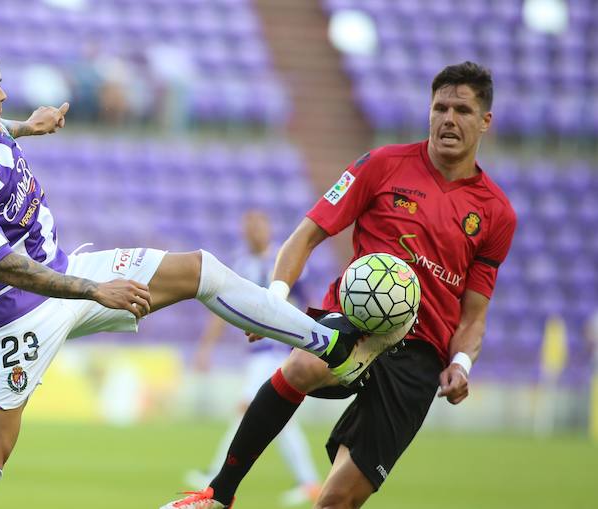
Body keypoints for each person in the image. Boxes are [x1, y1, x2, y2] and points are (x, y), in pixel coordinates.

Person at [0, 34, 399, 509]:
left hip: (64, 270)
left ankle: (331, 346)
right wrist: (96, 290)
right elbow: (6, 266)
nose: (4, 93)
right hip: (14, 317)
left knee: (200, 270)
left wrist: (26, 127)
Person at [162, 61, 517, 509]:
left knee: (337, 501)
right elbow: (305, 236)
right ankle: (218, 494)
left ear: (485, 120)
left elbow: (474, 313)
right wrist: (274, 304)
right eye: (440, 107)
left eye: (462, 110)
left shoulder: (496, 213)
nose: (448, 119)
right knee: (303, 366)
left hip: (421, 354)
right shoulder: (382, 165)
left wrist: (461, 362)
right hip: (355, 320)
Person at [188, 210, 321, 506]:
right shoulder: (241, 264)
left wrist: (308, 339)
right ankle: (310, 482)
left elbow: (308, 302)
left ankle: (216, 475)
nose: (254, 233)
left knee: (248, 408)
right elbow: (221, 308)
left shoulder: (285, 259)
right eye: (248, 227)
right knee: (276, 417)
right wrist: (206, 347)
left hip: (278, 348)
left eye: (259, 226)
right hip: (257, 351)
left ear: (268, 229)